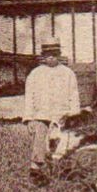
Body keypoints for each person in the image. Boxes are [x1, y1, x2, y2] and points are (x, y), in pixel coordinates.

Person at [24, 41, 81, 184]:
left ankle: (65, 175)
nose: (51, 58)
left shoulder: (68, 74)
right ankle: (37, 175)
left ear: (59, 55)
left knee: (63, 145)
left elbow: (74, 96)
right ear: (43, 56)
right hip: (41, 116)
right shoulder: (35, 74)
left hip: (62, 116)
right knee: (40, 144)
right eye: (48, 55)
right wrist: (29, 119)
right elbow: (29, 97)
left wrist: (72, 114)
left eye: (54, 55)